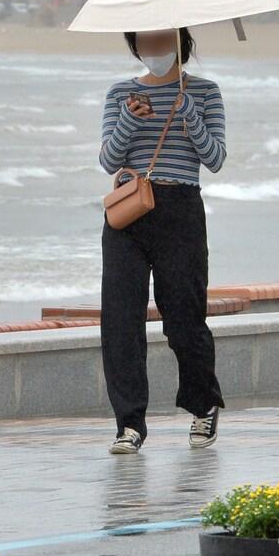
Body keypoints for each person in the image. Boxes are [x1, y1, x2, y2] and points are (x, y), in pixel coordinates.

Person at [98, 27, 227, 455]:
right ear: (135, 48)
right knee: (120, 321)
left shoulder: (205, 92)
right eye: (144, 44)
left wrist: (186, 110)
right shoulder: (120, 93)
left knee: (184, 320)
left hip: (180, 208)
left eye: (161, 42)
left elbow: (215, 159)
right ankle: (129, 424)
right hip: (129, 209)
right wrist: (132, 119)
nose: (153, 51)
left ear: (179, 44)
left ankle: (203, 405)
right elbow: (109, 159)